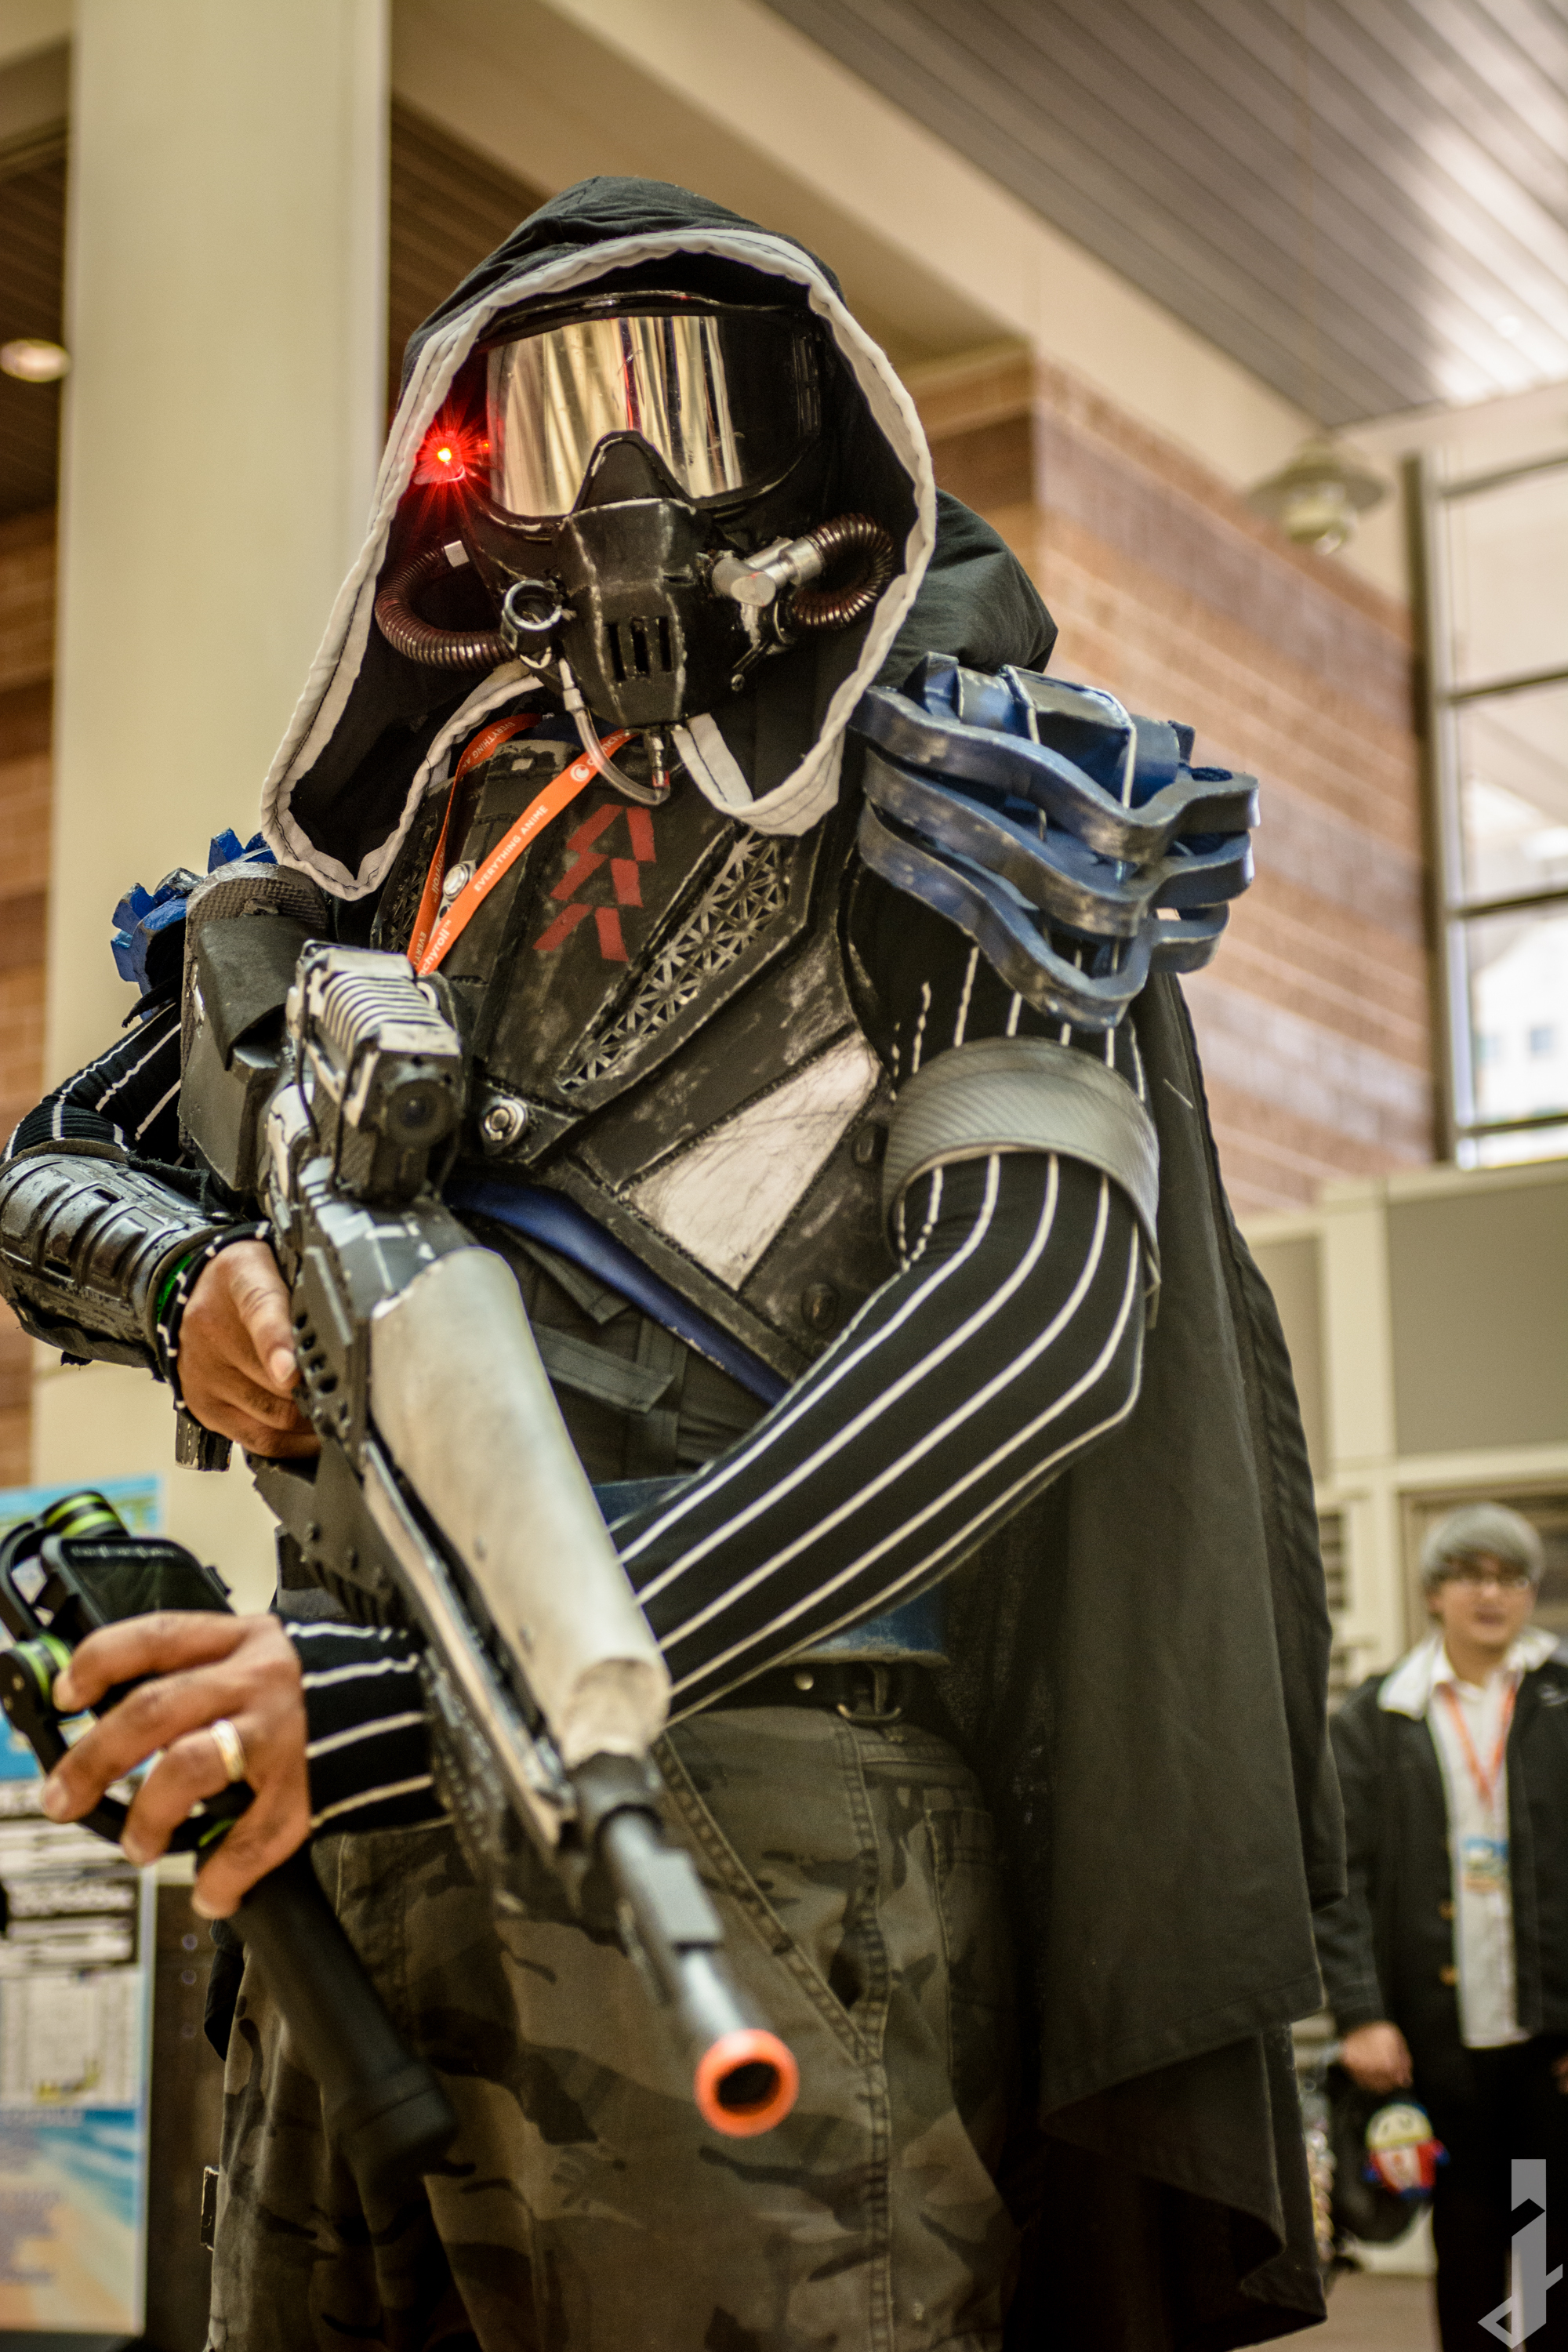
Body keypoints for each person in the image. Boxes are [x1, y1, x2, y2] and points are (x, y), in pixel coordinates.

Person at [0, 180, 1339, 2351]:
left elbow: (1029, 1322)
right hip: (336, 1829)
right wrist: (196, 1289)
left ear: (817, 423)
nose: (624, 474)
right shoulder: (382, 852)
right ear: (457, 467)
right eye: (556, 416)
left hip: (751, 1815)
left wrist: (428, 1701)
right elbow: (59, 1171)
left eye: (690, 396)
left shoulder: (967, 786)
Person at [1316, 1502, 1568, 2348]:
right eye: (1469, 1575)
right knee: (1466, 2234)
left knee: (1546, 2233)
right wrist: (1361, 2014)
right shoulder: (1376, 1716)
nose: (1490, 1594)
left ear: (1529, 1591)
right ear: (1433, 1592)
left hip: (1549, 2037)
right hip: (1438, 2037)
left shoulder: (1560, 1696)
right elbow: (1339, 1879)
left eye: (1509, 1577)